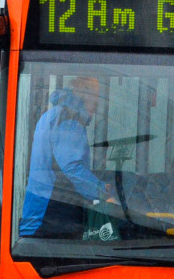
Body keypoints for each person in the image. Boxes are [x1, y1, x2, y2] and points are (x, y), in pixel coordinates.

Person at [19, 76, 110, 238]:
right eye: (95, 103)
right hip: (53, 213)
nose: (95, 110)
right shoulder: (70, 121)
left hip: (39, 207)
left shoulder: (52, 115)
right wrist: (101, 190)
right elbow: (71, 167)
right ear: (85, 98)